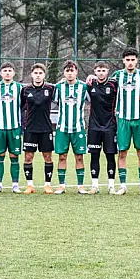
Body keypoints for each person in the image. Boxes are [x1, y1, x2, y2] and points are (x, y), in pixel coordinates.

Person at [109, 48, 140, 195]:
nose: (130, 62)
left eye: (133, 60)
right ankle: (123, 185)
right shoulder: (117, 76)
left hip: (139, 118)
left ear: (137, 60)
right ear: (123, 61)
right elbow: (103, 84)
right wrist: (91, 78)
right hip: (122, 119)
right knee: (122, 152)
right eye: (128, 60)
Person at [53, 60, 90, 194]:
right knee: (62, 156)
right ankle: (61, 185)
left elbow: (93, 100)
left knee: (79, 157)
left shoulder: (84, 87)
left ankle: (80, 186)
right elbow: (52, 100)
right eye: (67, 71)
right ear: (64, 73)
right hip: (62, 128)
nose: (70, 73)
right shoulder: (59, 87)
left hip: (78, 128)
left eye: (72, 70)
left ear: (76, 72)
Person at [20, 63, 56, 194]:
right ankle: (30, 185)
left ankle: (47, 185)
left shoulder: (51, 89)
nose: (38, 75)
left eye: (40, 73)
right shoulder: (25, 90)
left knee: (47, 157)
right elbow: (21, 106)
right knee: (28, 157)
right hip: (30, 128)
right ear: (31, 75)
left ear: (44, 75)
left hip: (46, 128)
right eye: (36, 73)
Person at [86, 61, 118, 194]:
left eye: (103, 70)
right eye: (98, 70)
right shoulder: (90, 85)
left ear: (107, 71)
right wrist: (89, 77)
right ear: (95, 71)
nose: (101, 73)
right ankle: (95, 186)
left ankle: (111, 186)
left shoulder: (114, 84)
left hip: (110, 125)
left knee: (110, 155)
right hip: (94, 126)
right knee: (94, 155)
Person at [0, 62, 24, 193]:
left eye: (10, 70)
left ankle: (15, 184)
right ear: (1, 73)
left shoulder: (20, 88)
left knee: (14, 155)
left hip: (15, 127)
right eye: (5, 71)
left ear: (14, 73)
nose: (7, 73)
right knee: (0, 155)